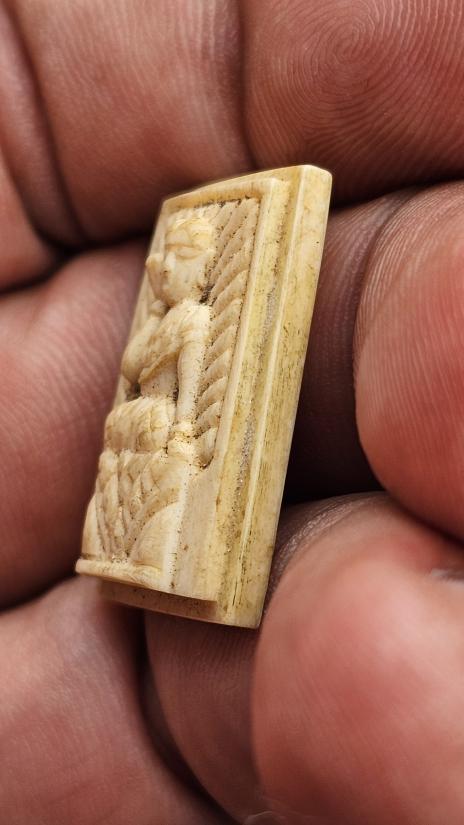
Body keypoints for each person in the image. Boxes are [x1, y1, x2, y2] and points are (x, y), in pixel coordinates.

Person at [1, 1, 464, 822]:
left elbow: (182, 384)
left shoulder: (190, 320)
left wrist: (177, 420)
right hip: (145, 440)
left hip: (173, 433)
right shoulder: (171, 313)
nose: (165, 279)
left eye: (175, 269)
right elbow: (139, 377)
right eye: (167, 271)